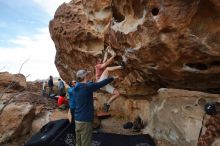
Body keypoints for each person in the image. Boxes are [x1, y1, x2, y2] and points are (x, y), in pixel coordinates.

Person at [73, 69, 114, 146]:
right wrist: (112, 78)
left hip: (77, 119)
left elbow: (87, 85)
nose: (89, 76)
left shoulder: (75, 88)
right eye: (87, 75)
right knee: (86, 143)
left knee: (78, 143)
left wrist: (91, 83)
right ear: (85, 76)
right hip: (85, 120)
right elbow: (101, 84)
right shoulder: (87, 87)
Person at [95, 46, 124, 112]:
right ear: (97, 62)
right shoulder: (97, 66)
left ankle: (107, 103)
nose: (101, 60)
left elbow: (105, 59)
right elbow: (106, 63)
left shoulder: (101, 64)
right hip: (100, 82)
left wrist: (107, 51)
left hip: (103, 85)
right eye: (99, 60)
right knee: (107, 69)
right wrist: (113, 55)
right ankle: (121, 66)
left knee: (117, 93)